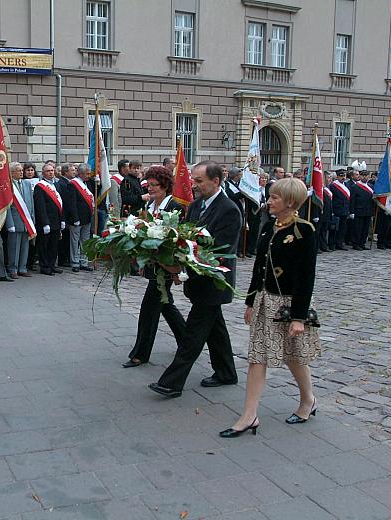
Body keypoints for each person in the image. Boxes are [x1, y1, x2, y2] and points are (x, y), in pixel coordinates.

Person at [220, 178, 320, 438]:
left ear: (290, 202)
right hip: (266, 301)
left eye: (275, 197)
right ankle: (249, 415)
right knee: (257, 356)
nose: (269, 201)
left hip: (288, 304)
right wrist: (251, 302)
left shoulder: (303, 230)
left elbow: (306, 277)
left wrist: (298, 317)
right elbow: (258, 269)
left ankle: (308, 400)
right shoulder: (268, 227)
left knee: (293, 356)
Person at [149, 161, 241, 397]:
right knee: (216, 329)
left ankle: (171, 382)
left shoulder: (229, 209)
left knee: (194, 334)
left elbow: (217, 250)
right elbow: (187, 239)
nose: (194, 184)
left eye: (199, 181)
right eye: (193, 179)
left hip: (214, 282)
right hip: (199, 281)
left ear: (216, 181)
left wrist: (184, 268)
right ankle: (226, 373)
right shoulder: (198, 204)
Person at [124, 166, 186, 368]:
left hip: (166, 266)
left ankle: (140, 353)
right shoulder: (150, 206)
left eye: (154, 185)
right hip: (153, 264)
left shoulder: (174, 206)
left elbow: (176, 238)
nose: (150, 189)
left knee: (149, 309)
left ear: (165, 185)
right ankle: (188, 341)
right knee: (166, 305)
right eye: (148, 185)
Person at [33, 162, 65, 275]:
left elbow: (60, 204)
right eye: (48, 171)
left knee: (54, 245)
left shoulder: (55, 185)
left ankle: (52, 265)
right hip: (46, 222)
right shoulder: (40, 186)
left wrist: (62, 219)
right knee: (44, 246)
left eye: (52, 170)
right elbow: (40, 206)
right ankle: (45, 267)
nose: (51, 173)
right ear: (43, 173)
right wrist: (45, 223)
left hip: (56, 221)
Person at [5, 162, 35, 278]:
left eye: (22, 170)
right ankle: (13, 269)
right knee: (14, 246)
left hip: (26, 221)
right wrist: (9, 223)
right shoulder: (8, 185)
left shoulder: (27, 184)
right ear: (12, 173)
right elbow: (7, 206)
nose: (22, 172)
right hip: (15, 220)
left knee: (25, 246)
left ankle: (23, 267)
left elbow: (31, 203)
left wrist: (32, 220)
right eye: (19, 170)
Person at [64, 163, 94, 272]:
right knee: (75, 241)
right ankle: (75, 262)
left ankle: (84, 261)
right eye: (87, 174)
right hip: (76, 219)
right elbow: (72, 203)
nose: (88, 175)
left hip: (87, 217)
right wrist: (75, 218)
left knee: (85, 241)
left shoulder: (89, 183)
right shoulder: (73, 184)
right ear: (80, 173)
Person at [349, 169, 374, 250]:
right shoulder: (355, 187)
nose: (365, 177)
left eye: (366, 175)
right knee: (357, 228)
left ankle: (362, 243)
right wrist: (352, 211)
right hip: (358, 210)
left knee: (365, 229)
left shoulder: (370, 186)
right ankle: (356, 243)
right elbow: (352, 200)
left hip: (368, 210)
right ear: (360, 176)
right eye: (363, 175)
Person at [329, 169, 350, 250]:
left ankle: (340, 243)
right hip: (336, 210)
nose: (343, 178)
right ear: (337, 177)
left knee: (342, 228)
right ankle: (332, 244)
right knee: (334, 229)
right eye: (341, 176)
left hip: (344, 210)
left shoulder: (347, 185)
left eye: (344, 176)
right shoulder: (333, 186)